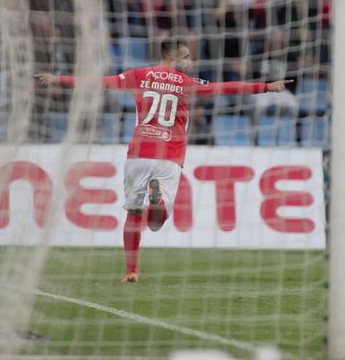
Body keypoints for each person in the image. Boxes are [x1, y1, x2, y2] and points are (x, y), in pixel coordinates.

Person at [37, 39, 292, 283]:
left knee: (133, 213)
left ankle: (132, 271)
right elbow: (226, 87)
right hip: (170, 155)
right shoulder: (187, 82)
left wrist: (58, 78)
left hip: (139, 152)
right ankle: (156, 202)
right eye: (186, 57)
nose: (190, 62)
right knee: (157, 222)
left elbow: (99, 82)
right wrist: (267, 87)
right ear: (170, 58)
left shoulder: (138, 75)